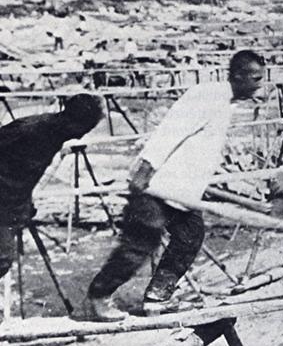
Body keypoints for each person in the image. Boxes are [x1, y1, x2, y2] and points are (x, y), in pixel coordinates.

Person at [86, 50, 265, 320]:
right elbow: (171, 130)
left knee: (190, 236)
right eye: (255, 78)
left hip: (180, 192)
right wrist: (146, 168)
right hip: (156, 187)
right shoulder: (208, 95)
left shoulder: (226, 102)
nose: (259, 84)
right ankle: (99, 295)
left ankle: (157, 298)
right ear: (238, 75)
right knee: (140, 244)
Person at [0, 95, 103, 281]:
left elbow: (26, 166)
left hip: (13, 203)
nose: (83, 134)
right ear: (78, 123)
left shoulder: (56, 133)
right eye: (87, 128)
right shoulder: (30, 129)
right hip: (5, 203)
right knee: (2, 259)